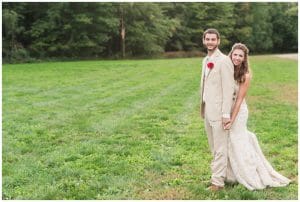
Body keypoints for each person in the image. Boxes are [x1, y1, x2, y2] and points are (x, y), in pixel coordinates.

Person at [224, 43, 291, 190]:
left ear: (244, 58)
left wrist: (232, 119)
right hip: (226, 109)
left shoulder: (245, 74)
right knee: (228, 141)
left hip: (238, 112)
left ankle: (250, 174)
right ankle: (231, 175)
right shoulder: (227, 69)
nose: (236, 57)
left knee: (238, 140)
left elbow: (240, 100)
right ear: (231, 54)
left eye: (240, 56)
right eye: (235, 54)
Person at [200, 28, 235, 191]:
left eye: (213, 39)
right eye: (207, 39)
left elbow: (229, 90)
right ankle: (224, 175)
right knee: (214, 147)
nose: (210, 42)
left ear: (218, 41)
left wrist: (225, 114)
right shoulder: (205, 60)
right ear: (204, 40)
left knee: (220, 147)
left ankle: (217, 183)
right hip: (207, 110)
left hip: (220, 112)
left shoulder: (224, 61)